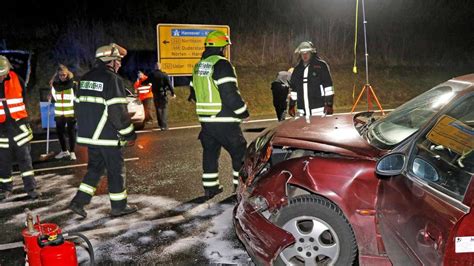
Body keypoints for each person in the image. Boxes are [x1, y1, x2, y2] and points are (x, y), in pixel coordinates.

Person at [68, 43, 137, 218]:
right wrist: (128, 133)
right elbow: (118, 112)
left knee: (95, 169)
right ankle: (119, 206)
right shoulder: (112, 79)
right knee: (116, 171)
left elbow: (77, 108)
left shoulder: (84, 79)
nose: (120, 64)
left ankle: (78, 202)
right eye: (118, 60)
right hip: (107, 137)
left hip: (90, 137)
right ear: (111, 61)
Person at [190, 30, 249, 199]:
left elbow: (193, 93)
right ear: (221, 47)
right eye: (225, 47)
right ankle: (241, 191)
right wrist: (243, 111)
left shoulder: (199, 66)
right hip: (224, 120)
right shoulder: (222, 64)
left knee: (210, 152)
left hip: (206, 120)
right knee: (240, 154)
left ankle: (210, 188)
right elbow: (229, 93)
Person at [0, 55, 40, 201]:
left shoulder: (17, 79)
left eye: (3, 74)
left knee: (25, 160)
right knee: (3, 162)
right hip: (1, 130)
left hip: (19, 126)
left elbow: (23, 97)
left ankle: (31, 188)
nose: (1, 77)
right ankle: (5, 189)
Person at [289, 41, 334, 117]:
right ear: (300, 54)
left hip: (319, 110)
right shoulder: (297, 69)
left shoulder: (321, 66)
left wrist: (329, 104)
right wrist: (291, 106)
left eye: (307, 52)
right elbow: (294, 90)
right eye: (302, 53)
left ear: (311, 52)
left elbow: (328, 87)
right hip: (302, 112)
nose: (305, 55)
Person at [50, 64, 78, 160]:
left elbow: (76, 98)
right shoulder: (55, 85)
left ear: (67, 74)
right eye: (60, 75)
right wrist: (51, 98)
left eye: (64, 75)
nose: (62, 77)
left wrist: (77, 110)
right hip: (59, 112)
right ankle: (64, 151)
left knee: (71, 132)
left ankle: (72, 152)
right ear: (58, 75)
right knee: (60, 132)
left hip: (70, 112)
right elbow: (55, 98)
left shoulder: (73, 84)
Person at [143, 63, 175, 130]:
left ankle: (160, 124)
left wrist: (143, 82)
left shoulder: (152, 75)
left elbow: (145, 82)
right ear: (160, 67)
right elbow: (169, 84)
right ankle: (164, 125)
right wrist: (173, 93)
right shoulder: (164, 75)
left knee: (158, 109)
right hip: (163, 94)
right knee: (164, 109)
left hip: (155, 94)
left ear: (155, 67)